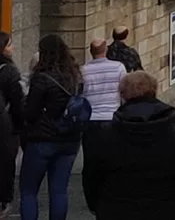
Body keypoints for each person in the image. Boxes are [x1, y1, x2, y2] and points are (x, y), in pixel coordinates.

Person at [81, 69, 175, 220]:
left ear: (123, 96)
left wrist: (96, 205)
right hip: (167, 210)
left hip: (117, 210)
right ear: (154, 91)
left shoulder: (106, 132)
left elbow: (92, 175)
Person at [20, 34, 83, 220]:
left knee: (29, 191)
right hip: (70, 139)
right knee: (59, 190)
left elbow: (30, 112)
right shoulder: (75, 75)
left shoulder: (42, 78)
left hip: (42, 139)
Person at [0, 33, 25, 217]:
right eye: (9, 45)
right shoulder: (9, 71)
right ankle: (4, 202)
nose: (12, 48)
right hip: (4, 125)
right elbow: (17, 102)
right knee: (5, 164)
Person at [81, 41, 126, 124]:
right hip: (112, 115)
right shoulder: (118, 67)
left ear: (90, 51)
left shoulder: (83, 70)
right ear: (106, 50)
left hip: (91, 117)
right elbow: (124, 91)